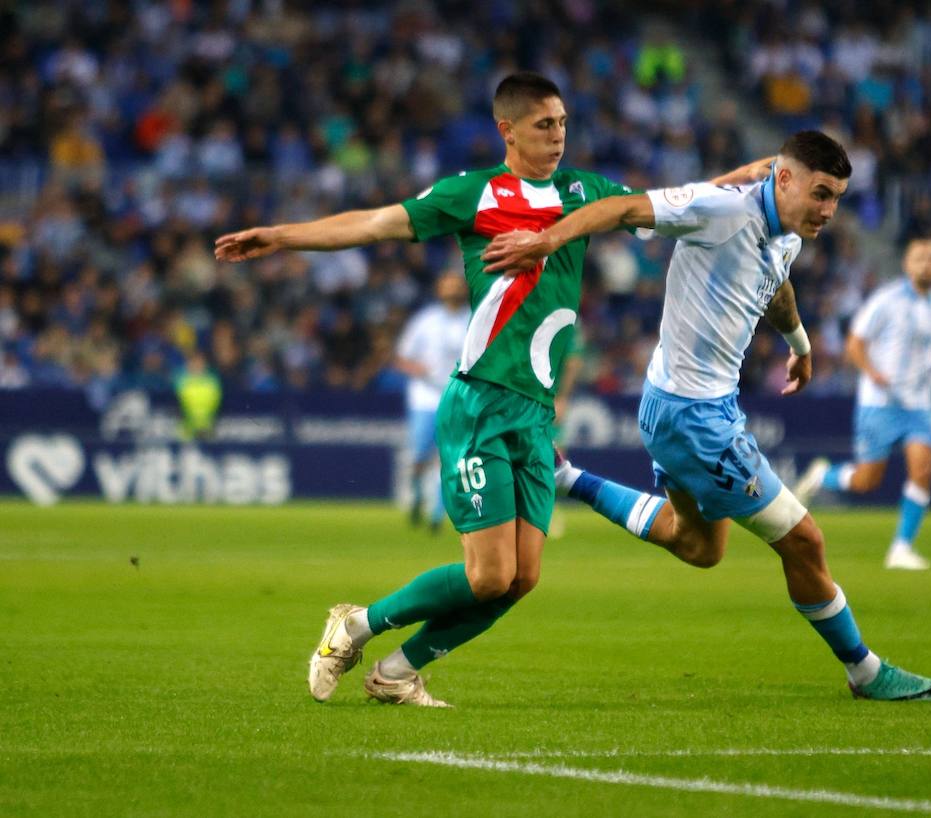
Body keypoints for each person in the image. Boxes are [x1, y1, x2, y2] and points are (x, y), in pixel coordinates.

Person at [216, 72, 770, 708]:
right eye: (543, 125)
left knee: (522, 578)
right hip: (481, 399)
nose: (558, 135)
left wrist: (762, 173)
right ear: (507, 130)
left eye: (563, 123)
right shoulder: (472, 194)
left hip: (534, 413)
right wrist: (282, 236)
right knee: (489, 575)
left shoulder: (585, 191)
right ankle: (357, 624)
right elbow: (374, 224)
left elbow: (689, 199)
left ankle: (396, 671)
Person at [484, 131, 931, 702]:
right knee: (804, 541)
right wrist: (545, 241)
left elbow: (776, 286)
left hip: (689, 405)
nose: (828, 210)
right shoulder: (718, 209)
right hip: (693, 416)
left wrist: (800, 343)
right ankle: (865, 671)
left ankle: (564, 477)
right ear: (784, 179)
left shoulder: (789, 234)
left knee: (700, 547)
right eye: (821, 193)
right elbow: (624, 207)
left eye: (837, 198)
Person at [794, 237, 931, 571]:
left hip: (917, 405)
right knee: (867, 481)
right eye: (920, 258)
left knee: (923, 468)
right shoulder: (886, 301)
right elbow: (855, 343)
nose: (926, 264)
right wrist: (874, 373)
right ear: (907, 264)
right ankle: (823, 475)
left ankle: (901, 548)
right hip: (879, 403)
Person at [394, 272, 471, 532]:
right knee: (419, 457)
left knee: (449, 459)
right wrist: (418, 369)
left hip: (458, 399)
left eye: (456, 285)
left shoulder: (473, 320)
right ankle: (417, 496)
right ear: (439, 289)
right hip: (425, 398)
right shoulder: (425, 321)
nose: (452, 289)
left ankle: (437, 515)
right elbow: (402, 357)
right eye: (448, 285)